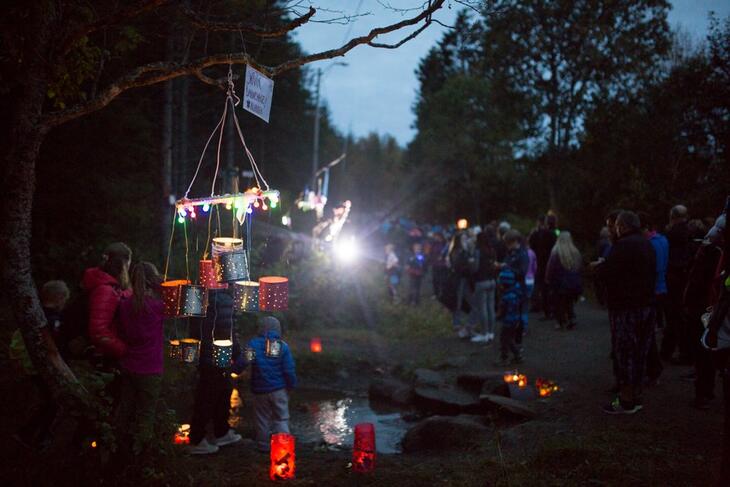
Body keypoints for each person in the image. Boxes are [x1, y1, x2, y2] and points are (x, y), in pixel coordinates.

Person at [596, 211, 656, 414]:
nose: (615, 229)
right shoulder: (646, 243)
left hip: (626, 308)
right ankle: (635, 395)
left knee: (625, 352)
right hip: (646, 305)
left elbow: (609, 273)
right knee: (639, 352)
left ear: (623, 226)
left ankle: (626, 400)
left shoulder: (624, 245)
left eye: (617, 225)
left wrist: (598, 269)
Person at [10, 280, 70, 449]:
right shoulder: (52, 320)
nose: (64, 304)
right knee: (53, 402)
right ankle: (32, 436)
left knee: (50, 401)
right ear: (59, 298)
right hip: (44, 368)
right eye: (64, 300)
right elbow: (54, 348)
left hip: (31, 366)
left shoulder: (33, 314)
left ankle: (34, 434)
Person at [116, 262, 164, 455]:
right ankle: (140, 455)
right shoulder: (157, 306)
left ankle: (118, 450)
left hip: (127, 364)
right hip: (150, 368)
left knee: (124, 411)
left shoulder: (124, 305)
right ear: (153, 281)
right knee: (146, 414)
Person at [188, 287, 243, 455]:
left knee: (219, 392)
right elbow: (228, 330)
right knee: (209, 396)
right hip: (219, 355)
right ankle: (197, 440)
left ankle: (221, 432)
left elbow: (194, 329)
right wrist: (237, 352)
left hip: (204, 355)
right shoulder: (225, 301)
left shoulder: (196, 297)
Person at [240, 316, 297, 453]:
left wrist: (233, 370)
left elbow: (243, 362)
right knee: (281, 418)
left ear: (260, 328)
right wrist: (291, 386)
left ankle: (263, 446)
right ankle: (283, 447)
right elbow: (288, 370)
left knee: (262, 419)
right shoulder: (282, 346)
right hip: (279, 390)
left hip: (259, 391)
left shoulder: (253, 344)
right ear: (278, 329)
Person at [84, 242, 132, 361]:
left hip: (107, 352)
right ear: (125, 263)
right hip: (104, 355)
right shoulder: (106, 290)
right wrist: (125, 351)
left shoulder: (108, 286)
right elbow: (98, 331)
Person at [661, 205, 692, 364]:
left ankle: (672, 351)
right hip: (685, 276)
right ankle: (681, 350)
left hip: (674, 278)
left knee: (674, 316)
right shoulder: (690, 232)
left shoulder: (672, 234)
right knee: (680, 316)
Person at [641, 213, 668, 384]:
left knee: (647, 333)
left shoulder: (650, 245)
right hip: (662, 286)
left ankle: (653, 370)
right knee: (649, 330)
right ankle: (653, 369)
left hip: (653, 289)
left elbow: (653, 268)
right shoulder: (663, 241)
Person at [545, 232, 583, 330]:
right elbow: (579, 268)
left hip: (559, 283)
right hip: (573, 283)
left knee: (558, 302)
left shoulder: (556, 252)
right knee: (569, 302)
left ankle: (561, 321)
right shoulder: (575, 252)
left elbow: (550, 268)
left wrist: (548, 278)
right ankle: (571, 318)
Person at [448, 231, 477, 338]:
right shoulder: (457, 252)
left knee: (472, 303)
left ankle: (468, 326)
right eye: (463, 239)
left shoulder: (465, 251)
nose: (465, 241)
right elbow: (457, 266)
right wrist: (469, 263)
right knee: (458, 303)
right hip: (459, 280)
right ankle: (458, 325)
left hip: (465, 280)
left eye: (466, 239)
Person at [502, 230, 529, 342]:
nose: (507, 246)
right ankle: (512, 339)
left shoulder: (522, 254)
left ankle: (518, 341)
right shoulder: (511, 253)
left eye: (508, 243)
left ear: (514, 241)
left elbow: (522, 272)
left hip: (518, 289)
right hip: (509, 289)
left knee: (518, 316)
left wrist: (508, 268)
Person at [470, 232, 498, 343]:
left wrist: (470, 264)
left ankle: (484, 333)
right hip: (492, 281)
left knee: (483, 309)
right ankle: (491, 333)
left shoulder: (478, 251)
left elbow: (475, 268)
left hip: (481, 281)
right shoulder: (492, 250)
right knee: (491, 307)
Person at [530, 215, 558, 319]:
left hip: (542, 263)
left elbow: (532, 245)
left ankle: (546, 310)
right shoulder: (555, 234)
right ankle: (553, 309)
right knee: (552, 287)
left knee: (543, 287)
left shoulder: (540, 234)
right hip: (551, 262)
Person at [495, 266, 524, 366]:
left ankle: (504, 358)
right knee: (510, 339)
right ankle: (518, 355)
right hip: (515, 320)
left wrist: (498, 316)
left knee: (504, 340)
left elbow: (502, 311)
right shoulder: (516, 293)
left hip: (508, 322)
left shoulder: (506, 297)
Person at [429, 232, 448, 299]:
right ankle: (436, 293)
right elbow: (431, 253)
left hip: (442, 265)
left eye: (436, 236)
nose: (435, 238)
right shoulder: (434, 244)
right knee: (435, 280)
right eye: (435, 236)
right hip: (435, 264)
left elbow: (447, 253)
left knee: (442, 280)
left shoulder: (445, 244)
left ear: (440, 236)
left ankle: (443, 293)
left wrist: (443, 257)